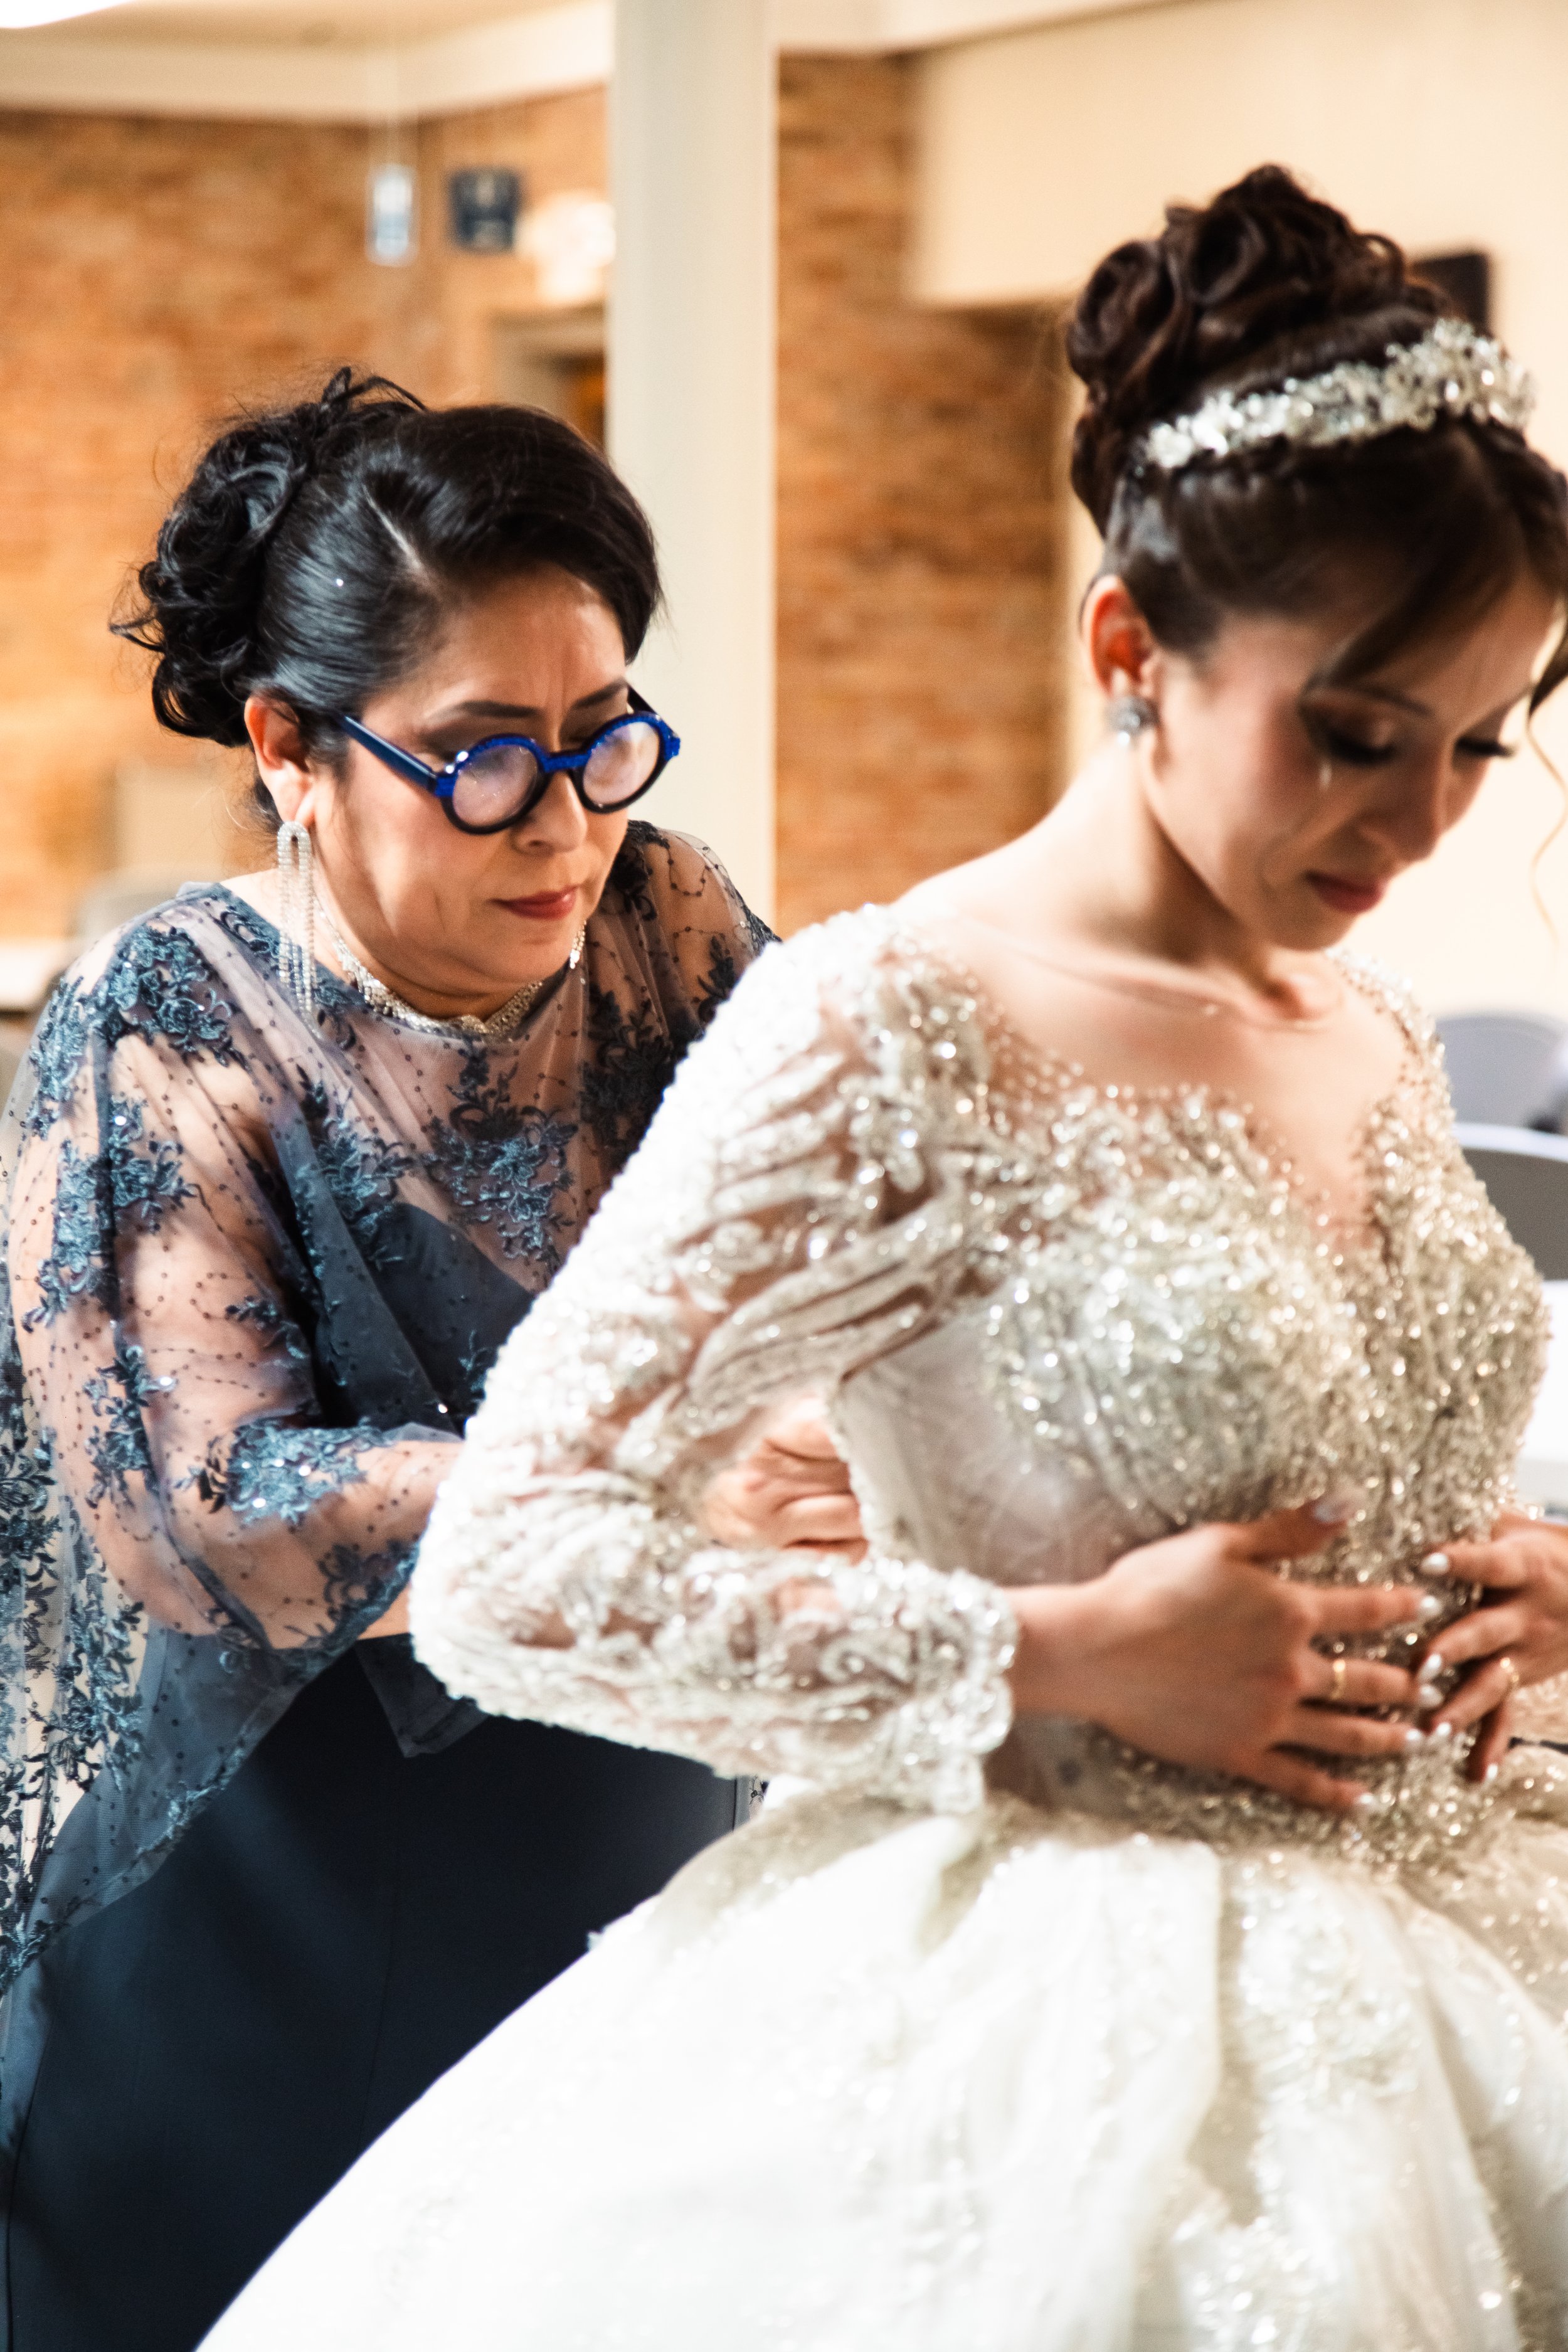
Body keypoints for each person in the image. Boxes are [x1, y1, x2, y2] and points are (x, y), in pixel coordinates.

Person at [207, 171, 1568, 2349]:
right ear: (1129, 644)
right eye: (1354, 730)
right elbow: (514, 1570)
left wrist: (1520, 1575)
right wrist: (1060, 1654)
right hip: (1076, 1995)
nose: (1420, 827)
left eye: (1483, 742)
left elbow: (1354, 1453)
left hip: (1479, 1924)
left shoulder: (1372, 1029)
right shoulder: (887, 1019)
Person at [0, 371, 813, 2352]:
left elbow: (864, 1240)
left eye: (604, 737)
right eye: (480, 760)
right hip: (273, 1887)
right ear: (290, 745)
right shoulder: (165, 1019)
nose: (565, 827)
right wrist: (653, 1486)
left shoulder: (671, 928)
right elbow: (198, 1519)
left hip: (620, 1806)